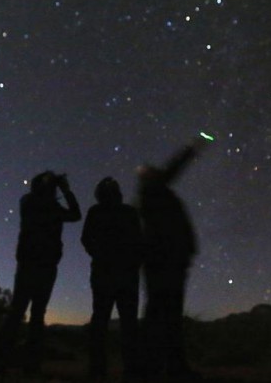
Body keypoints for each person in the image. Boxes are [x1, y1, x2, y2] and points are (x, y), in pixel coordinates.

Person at [0, 171, 81, 375]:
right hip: (33, 264)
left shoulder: (46, 205)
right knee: (19, 311)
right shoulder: (30, 201)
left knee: (34, 314)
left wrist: (64, 190)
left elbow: (76, 215)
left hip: (44, 265)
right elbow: (72, 213)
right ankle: (3, 361)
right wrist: (63, 190)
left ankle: (28, 364)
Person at [137, 140, 206, 380]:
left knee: (166, 315)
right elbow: (172, 169)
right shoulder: (153, 191)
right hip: (163, 260)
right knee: (162, 315)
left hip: (168, 259)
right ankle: (155, 368)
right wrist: (191, 150)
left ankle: (168, 367)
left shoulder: (154, 194)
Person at [81, 177, 143, 379]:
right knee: (128, 323)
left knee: (100, 321)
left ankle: (98, 370)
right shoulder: (129, 212)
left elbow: (86, 239)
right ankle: (131, 369)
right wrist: (134, 262)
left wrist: (98, 255)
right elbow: (140, 240)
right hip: (125, 274)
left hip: (105, 273)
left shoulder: (96, 212)